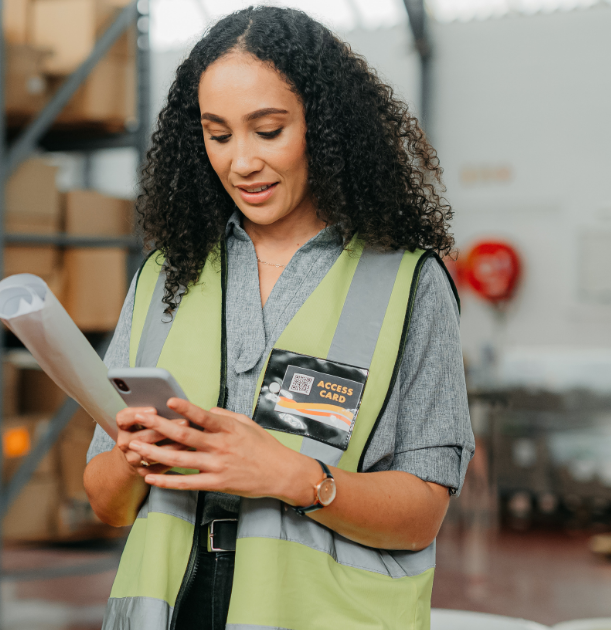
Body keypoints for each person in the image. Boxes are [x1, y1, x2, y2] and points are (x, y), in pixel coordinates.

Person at [84, 6, 474, 629]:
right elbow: (105, 503)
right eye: (219, 134)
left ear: (325, 128)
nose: (241, 161)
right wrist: (138, 455)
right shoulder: (166, 276)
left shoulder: (407, 283)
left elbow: (421, 513)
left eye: (268, 131)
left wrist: (296, 478)